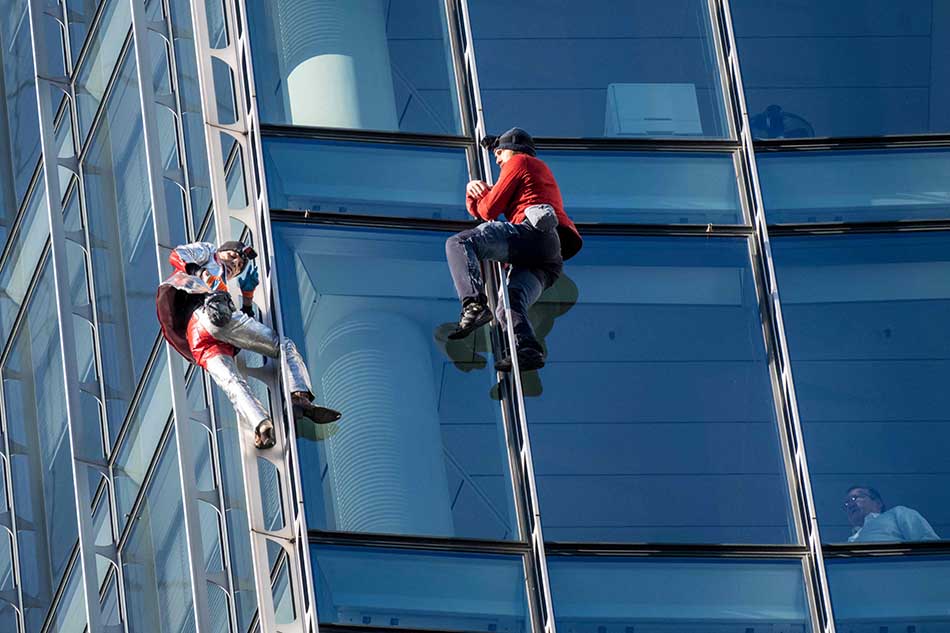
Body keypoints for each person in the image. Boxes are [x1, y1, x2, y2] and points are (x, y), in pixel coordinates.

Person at [156, 240, 341, 449]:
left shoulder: (223, 283)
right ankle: (299, 395)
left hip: (199, 336)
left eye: (240, 264)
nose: (236, 263)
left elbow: (238, 335)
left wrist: (247, 299)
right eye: (233, 256)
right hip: (208, 315)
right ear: (221, 251)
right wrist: (201, 273)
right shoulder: (209, 254)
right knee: (284, 346)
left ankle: (262, 426)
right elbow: (179, 254)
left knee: (231, 381)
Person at [445, 127, 582, 371]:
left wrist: (473, 190)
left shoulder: (521, 161)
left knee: (459, 243)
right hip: (549, 258)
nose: (496, 159)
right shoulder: (533, 168)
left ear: (513, 150)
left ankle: (474, 304)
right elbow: (489, 206)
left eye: (499, 153)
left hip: (533, 235)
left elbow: (488, 210)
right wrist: (480, 196)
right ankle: (527, 349)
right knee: (509, 303)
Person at [843, 485, 939, 543]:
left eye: (854, 498)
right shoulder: (850, 540)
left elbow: (928, 541)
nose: (850, 504)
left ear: (878, 503)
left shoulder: (897, 513)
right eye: (847, 503)